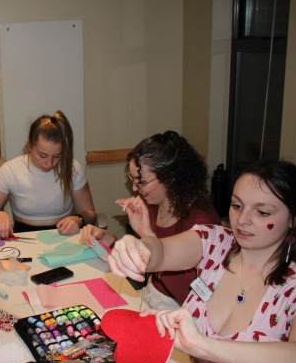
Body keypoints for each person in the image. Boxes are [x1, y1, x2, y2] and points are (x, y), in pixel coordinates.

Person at [109, 160, 296, 363]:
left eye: (262, 212)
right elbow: (161, 252)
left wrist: (203, 347)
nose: (242, 220)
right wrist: (139, 248)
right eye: (237, 206)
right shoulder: (217, 242)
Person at [80, 131, 220, 308]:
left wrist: (146, 235)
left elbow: (193, 294)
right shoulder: (155, 205)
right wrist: (105, 239)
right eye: (132, 179)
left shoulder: (201, 222)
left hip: (182, 310)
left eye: (141, 181)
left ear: (170, 178)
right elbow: (141, 257)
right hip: (152, 294)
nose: (134, 188)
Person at [0, 110, 97, 237]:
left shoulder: (73, 168)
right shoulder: (11, 170)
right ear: (29, 146)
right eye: (42, 155)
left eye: (56, 156)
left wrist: (78, 220)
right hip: (24, 237)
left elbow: (90, 213)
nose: (49, 164)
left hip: (64, 236)